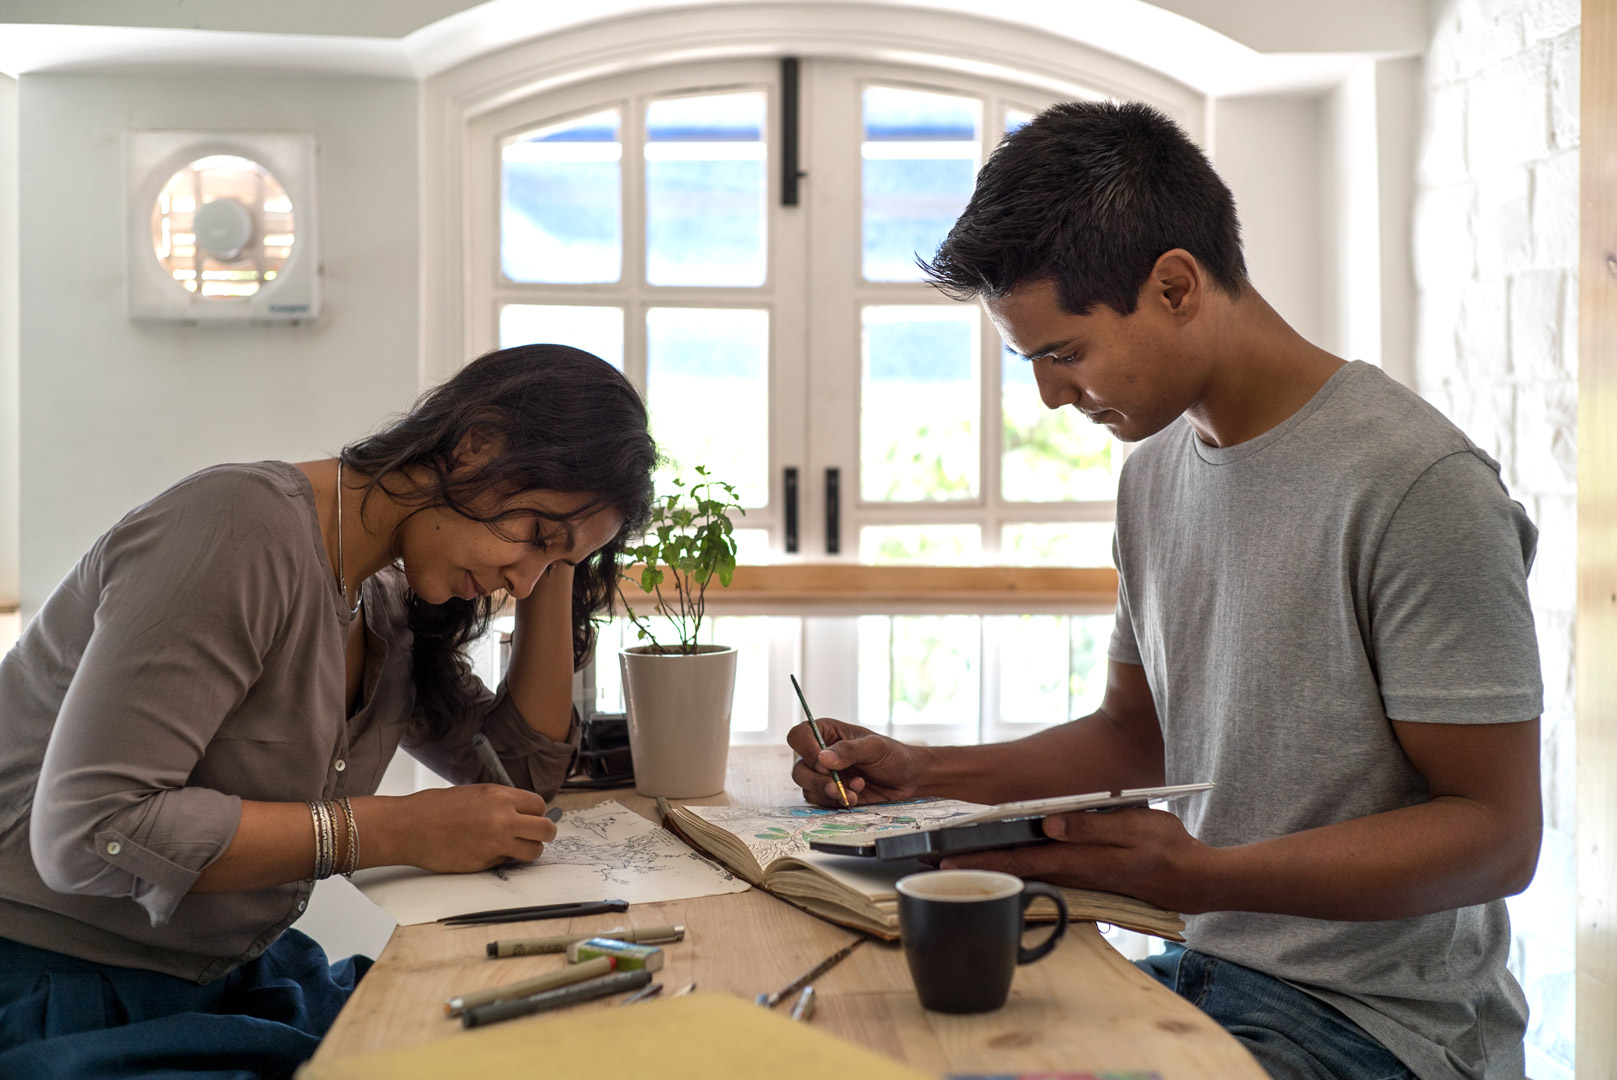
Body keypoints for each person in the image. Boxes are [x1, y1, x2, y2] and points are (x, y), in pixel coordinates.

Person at [788, 102, 1542, 1080]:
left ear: (1177, 285)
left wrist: (1205, 874)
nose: (1051, 395)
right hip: (1198, 961)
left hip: (1382, 1029)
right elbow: (1131, 738)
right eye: (1032, 362)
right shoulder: (1154, 476)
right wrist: (927, 770)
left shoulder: (1416, 486)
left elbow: (1496, 836)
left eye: (1063, 352)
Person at [0, 343, 656, 1079]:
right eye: (534, 534)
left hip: (228, 979)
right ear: (478, 444)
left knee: (533, 1041)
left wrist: (561, 561)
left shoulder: (384, 602)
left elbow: (520, 773)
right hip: (58, 990)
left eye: (555, 559)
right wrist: (384, 830)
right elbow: (90, 832)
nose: (525, 580)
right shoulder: (235, 529)